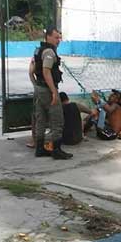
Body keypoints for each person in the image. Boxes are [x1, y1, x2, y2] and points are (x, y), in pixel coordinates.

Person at [33, 26, 72, 160]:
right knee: (57, 118)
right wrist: (54, 91)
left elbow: (31, 70)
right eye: (56, 37)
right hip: (47, 89)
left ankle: (39, 148)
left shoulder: (38, 50)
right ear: (48, 37)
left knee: (41, 118)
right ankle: (56, 150)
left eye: (59, 37)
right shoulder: (49, 52)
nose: (58, 40)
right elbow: (46, 71)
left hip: (39, 88)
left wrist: (35, 85)